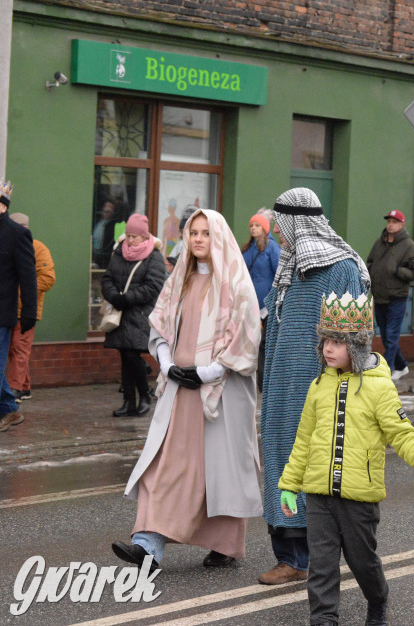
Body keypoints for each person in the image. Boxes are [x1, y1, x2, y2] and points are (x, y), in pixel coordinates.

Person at [112, 209, 263, 570]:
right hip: (179, 390)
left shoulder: (237, 286)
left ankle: (225, 545)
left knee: (217, 471)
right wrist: (167, 364)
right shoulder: (178, 281)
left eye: (205, 233)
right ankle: (148, 545)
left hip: (219, 395)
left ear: (219, 238)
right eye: (192, 232)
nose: (197, 239)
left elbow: (246, 339)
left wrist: (210, 371)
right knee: (165, 467)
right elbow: (161, 327)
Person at [278, 290, 414, 626]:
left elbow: (399, 432)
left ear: (357, 346)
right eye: (326, 340)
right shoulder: (318, 386)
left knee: (363, 562)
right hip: (318, 495)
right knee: (323, 566)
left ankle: (378, 597)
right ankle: (324, 619)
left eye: (339, 342)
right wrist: (289, 484)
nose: (329, 348)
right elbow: (304, 440)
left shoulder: (378, 386)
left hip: (359, 496)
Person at [260, 187, 371, 586]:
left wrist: (345, 390)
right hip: (281, 388)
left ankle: (313, 558)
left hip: (320, 391)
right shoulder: (288, 268)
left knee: (314, 471)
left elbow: (356, 338)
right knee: (280, 464)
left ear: (297, 223)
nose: (275, 231)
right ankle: (288, 556)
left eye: (280, 223)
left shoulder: (341, 268)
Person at [101, 214, 167, 418]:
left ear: (144, 236)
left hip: (140, 313)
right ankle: (129, 401)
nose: (129, 240)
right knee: (125, 355)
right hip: (120, 313)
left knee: (132, 355)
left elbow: (154, 286)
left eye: (134, 236)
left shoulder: (154, 256)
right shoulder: (119, 252)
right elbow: (107, 277)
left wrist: (128, 298)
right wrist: (113, 296)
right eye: (127, 235)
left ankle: (145, 396)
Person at [366, 209, 414, 382]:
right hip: (379, 295)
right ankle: (402, 365)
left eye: (394, 222)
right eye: (389, 221)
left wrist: (397, 271)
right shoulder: (379, 243)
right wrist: (370, 272)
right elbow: (370, 261)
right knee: (385, 335)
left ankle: (385, 371)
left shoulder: (408, 245)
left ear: (401, 224)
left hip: (397, 297)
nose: (390, 224)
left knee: (391, 336)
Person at [6, 213, 55, 403]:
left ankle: (15, 388)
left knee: (19, 348)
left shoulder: (38, 249)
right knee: (14, 349)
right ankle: (24, 387)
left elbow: (48, 278)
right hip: (9, 307)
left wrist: (20, 289)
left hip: (26, 309)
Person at [0, 182, 36, 433]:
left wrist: (29, 312)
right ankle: (10, 409)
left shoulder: (16, 233)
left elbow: (28, 277)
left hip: (2, 313)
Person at [242, 212, 281, 389]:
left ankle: (263, 382)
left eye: (257, 225)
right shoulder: (247, 248)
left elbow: (279, 276)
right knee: (249, 342)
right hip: (249, 304)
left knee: (265, 344)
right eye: (251, 225)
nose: (253, 228)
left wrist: (273, 300)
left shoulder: (272, 249)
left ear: (265, 228)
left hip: (267, 305)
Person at [92, 199, 117, 269]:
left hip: (106, 258)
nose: (106, 213)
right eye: (104, 211)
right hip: (95, 255)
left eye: (108, 211)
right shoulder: (97, 223)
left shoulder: (114, 226)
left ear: (113, 213)